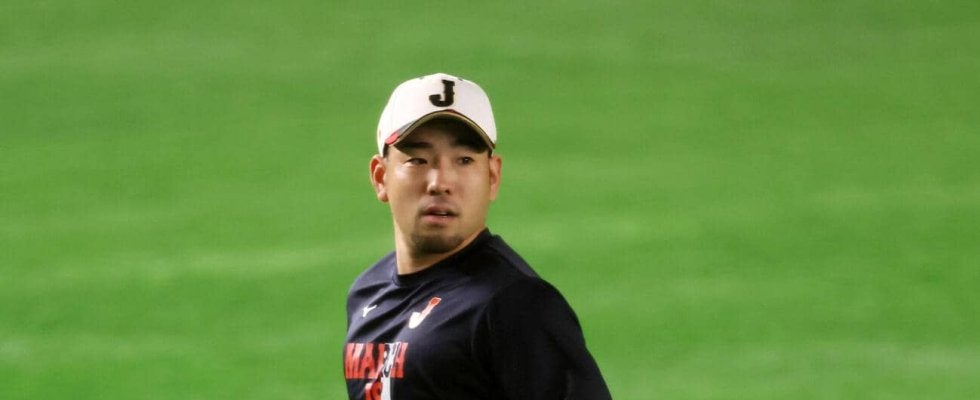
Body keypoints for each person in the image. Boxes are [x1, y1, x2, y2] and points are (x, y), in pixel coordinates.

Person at [344, 72, 611, 400]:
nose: (440, 182)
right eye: (418, 160)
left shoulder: (514, 305)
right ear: (380, 177)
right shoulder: (367, 293)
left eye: (464, 160)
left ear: (492, 177)